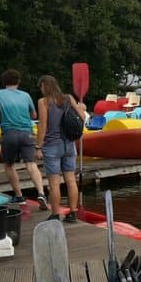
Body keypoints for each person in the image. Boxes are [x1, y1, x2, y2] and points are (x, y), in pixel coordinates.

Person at [0, 69, 48, 208]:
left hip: (9, 133)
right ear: (18, 81)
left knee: (9, 165)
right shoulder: (26, 95)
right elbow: (34, 115)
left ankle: (19, 196)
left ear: (3, 82)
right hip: (27, 133)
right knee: (31, 164)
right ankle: (41, 193)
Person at [35, 75, 86, 222]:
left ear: (45, 86)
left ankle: (56, 214)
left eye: (41, 87)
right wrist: (81, 107)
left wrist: (38, 146)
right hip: (69, 145)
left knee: (54, 183)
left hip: (52, 146)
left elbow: (43, 125)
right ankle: (72, 213)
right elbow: (82, 117)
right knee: (71, 180)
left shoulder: (43, 102)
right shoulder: (68, 98)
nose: (41, 89)